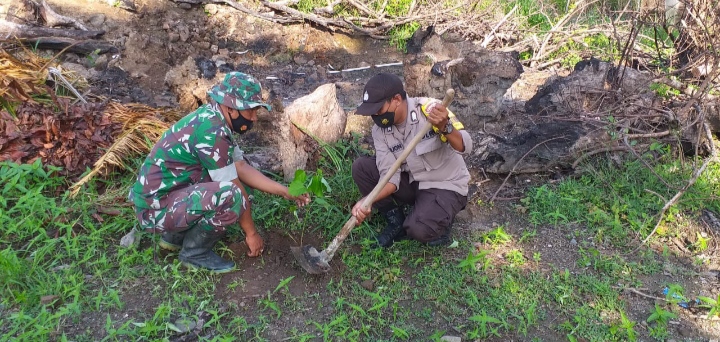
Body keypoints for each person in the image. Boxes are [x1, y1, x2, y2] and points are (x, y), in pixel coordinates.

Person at [128, 72, 310, 273]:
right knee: (232, 195)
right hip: (154, 211)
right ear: (231, 109)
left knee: (230, 180)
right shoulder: (213, 132)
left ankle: (175, 237)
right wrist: (251, 234)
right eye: (250, 111)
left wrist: (284, 191)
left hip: (163, 200)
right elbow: (234, 187)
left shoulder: (213, 118)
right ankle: (194, 253)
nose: (254, 118)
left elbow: (241, 167)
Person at [350, 73, 473, 248]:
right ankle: (396, 221)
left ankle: (440, 220)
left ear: (397, 99)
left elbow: (465, 146)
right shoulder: (380, 131)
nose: (376, 115)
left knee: (418, 230)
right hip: (413, 182)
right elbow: (390, 177)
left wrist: (445, 126)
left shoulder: (431, 110)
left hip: (445, 184)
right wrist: (367, 200)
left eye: (379, 109)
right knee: (362, 168)